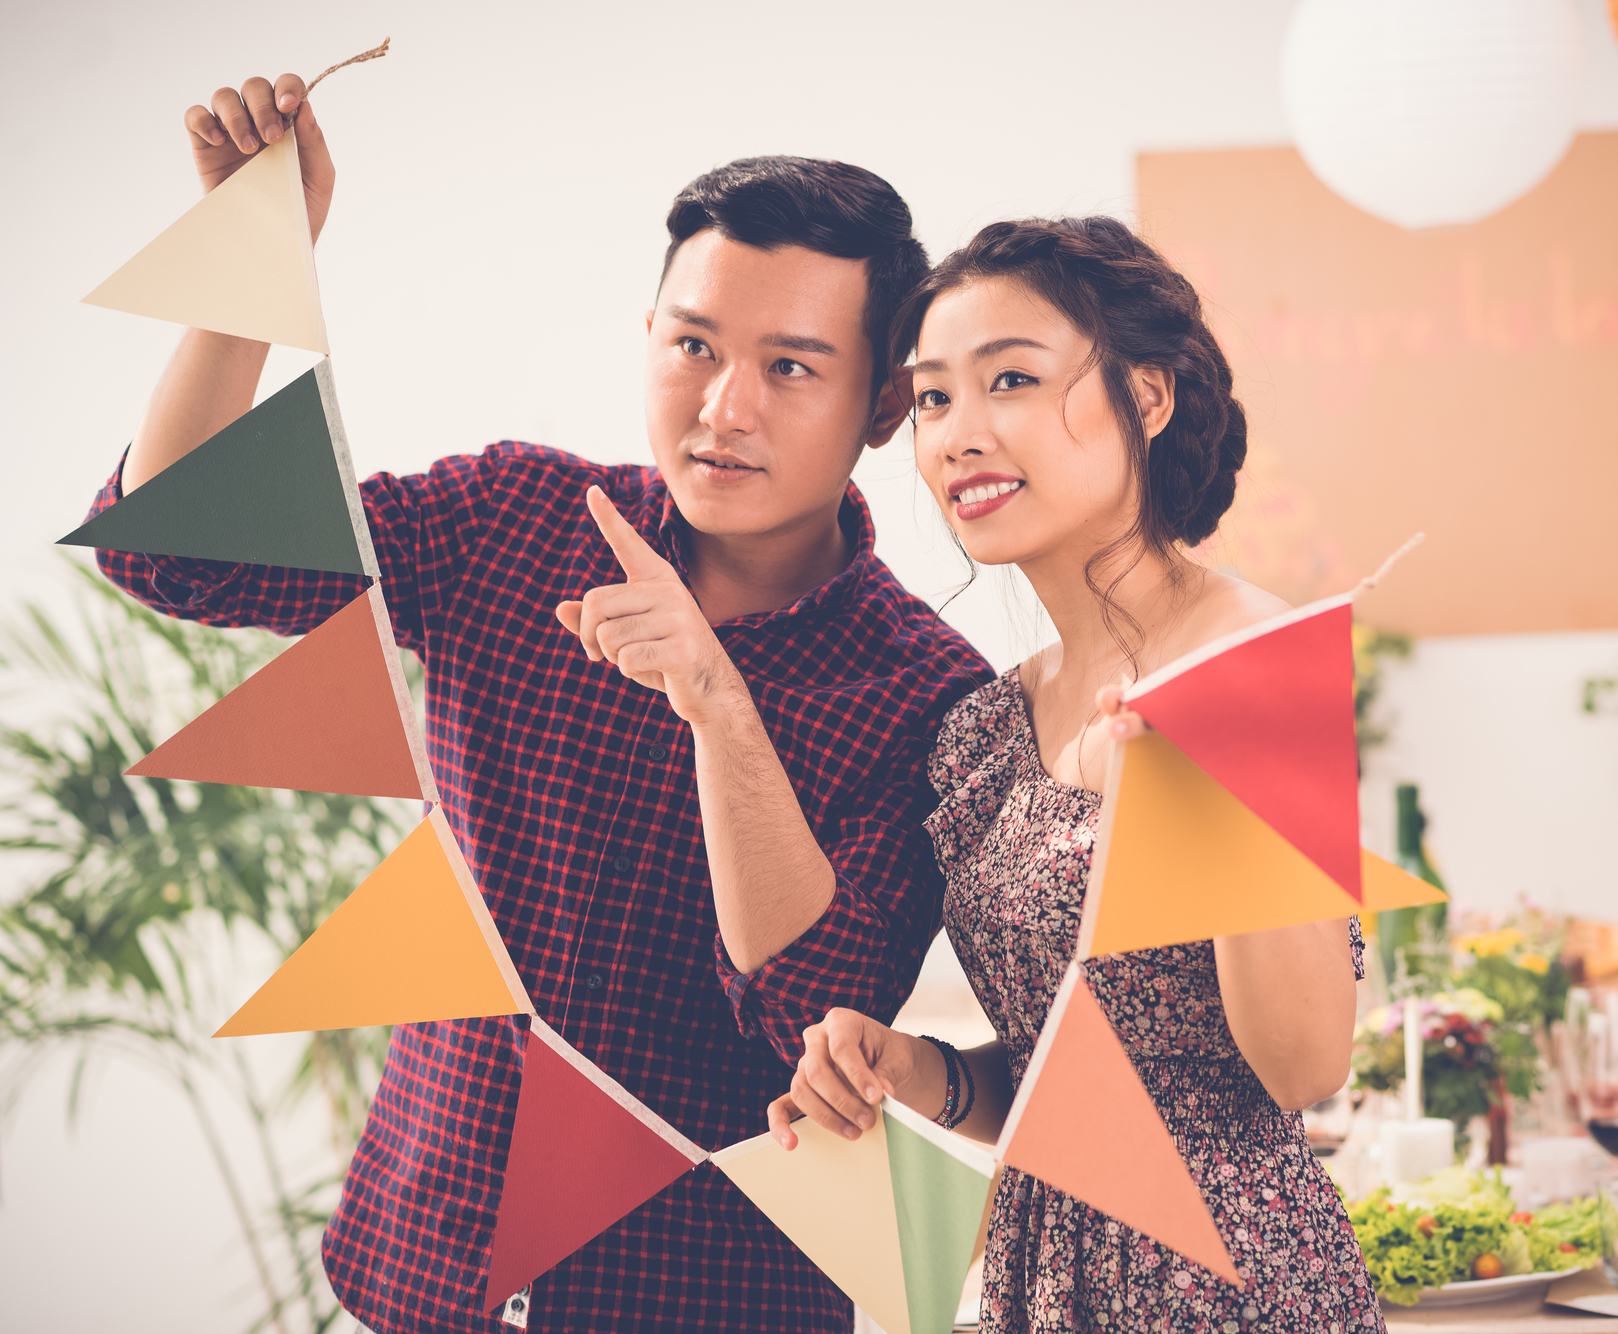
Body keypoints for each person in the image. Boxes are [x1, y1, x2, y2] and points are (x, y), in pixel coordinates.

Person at [88, 75, 990, 1333]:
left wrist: (717, 703)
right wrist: (256, 258)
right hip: (424, 1260)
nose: (723, 407)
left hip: (708, 1294)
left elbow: (810, 1020)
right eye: (693, 345)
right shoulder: (516, 519)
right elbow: (175, 550)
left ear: (883, 404)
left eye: (789, 365)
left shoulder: (930, 693)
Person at [768, 217, 1386, 1333]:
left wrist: (1181, 794)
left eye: (1010, 377)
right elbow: (1078, 1078)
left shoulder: (1251, 664)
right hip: (1043, 1279)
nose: (959, 434)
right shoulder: (982, 726)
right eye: (932, 398)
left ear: (1143, 400)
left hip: (1232, 1286)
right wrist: (916, 1070)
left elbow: (1299, 1062)